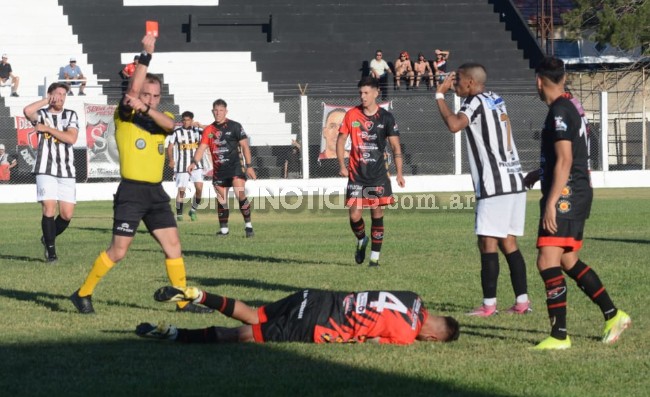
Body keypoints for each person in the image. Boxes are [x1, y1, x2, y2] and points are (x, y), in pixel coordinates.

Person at [69, 34, 211, 314]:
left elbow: (171, 126)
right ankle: (82, 293)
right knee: (118, 251)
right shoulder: (125, 115)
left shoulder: (158, 118)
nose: (152, 99)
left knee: (173, 246)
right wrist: (145, 56)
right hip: (132, 192)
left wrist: (147, 106)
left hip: (155, 192)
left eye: (156, 95)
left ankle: (183, 301)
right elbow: (132, 95)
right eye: (147, 94)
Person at [524, 57, 631, 349]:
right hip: (576, 190)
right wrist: (539, 173)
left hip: (567, 195)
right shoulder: (570, 103)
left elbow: (567, 158)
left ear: (539, 80)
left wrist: (551, 202)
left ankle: (559, 336)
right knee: (567, 259)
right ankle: (613, 314)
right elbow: (572, 152)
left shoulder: (559, 110)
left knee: (547, 259)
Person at [435, 63, 531, 317]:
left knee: (486, 242)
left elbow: (455, 125)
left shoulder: (475, 101)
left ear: (469, 83)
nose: (454, 86)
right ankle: (522, 302)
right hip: (514, 180)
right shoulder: (495, 99)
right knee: (508, 241)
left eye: (456, 82)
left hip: (495, 184)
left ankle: (489, 306)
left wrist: (439, 96)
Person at [136, 285, 460, 345]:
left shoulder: (413, 298)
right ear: (432, 335)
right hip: (318, 325)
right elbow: (374, 340)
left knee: (254, 313)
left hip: (314, 297)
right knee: (245, 335)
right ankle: (176, 334)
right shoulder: (405, 336)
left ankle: (200, 295)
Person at [337, 77, 405, 267]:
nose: (363, 96)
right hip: (357, 175)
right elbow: (341, 140)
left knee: (377, 214)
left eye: (366, 93)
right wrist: (342, 165)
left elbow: (395, 147)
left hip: (378, 175)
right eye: (360, 93)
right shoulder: (351, 115)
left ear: (376, 93)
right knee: (354, 216)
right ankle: (361, 240)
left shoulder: (386, 117)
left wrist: (399, 173)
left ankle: (374, 259)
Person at [23, 82, 79, 263]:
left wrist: (46, 129)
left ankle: (47, 238)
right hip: (45, 169)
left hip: (66, 170)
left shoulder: (70, 115)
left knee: (66, 215)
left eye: (64, 95)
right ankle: (51, 253)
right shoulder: (42, 114)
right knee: (49, 207)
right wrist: (46, 100)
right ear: (51, 95)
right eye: (58, 94)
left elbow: (71, 138)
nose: (61, 98)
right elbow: (27, 110)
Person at [188, 99, 257, 238]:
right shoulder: (208, 130)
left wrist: (249, 166)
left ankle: (248, 226)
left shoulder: (235, 126)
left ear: (226, 111)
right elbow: (202, 148)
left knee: (240, 195)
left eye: (221, 110)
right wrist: (194, 162)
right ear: (212, 112)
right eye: (216, 110)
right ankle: (224, 230)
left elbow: (244, 146)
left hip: (236, 167)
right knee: (221, 199)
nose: (218, 113)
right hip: (219, 170)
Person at [167, 110, 204, 221]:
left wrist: (201, 125)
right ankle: (179, 214)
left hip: (196, 165)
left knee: (199, 189)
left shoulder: (197, 131)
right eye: (184, 120)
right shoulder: (176, 132)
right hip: (182, 166)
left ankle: (193, 210)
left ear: (192, 120)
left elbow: (212, 133)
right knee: (181, 191)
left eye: (188, 120)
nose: (186, 122)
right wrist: (171, 160)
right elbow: (170, 146)